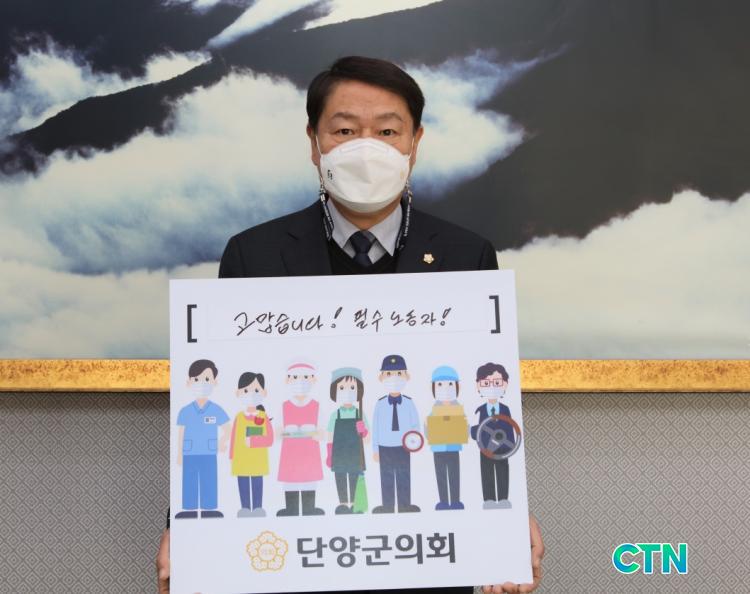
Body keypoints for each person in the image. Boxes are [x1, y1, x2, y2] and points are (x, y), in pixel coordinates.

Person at [158, 55, 544, 594]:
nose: (367, 148)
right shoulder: (254, 254)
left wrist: (504, 519)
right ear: (314, 142)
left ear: (415, 142)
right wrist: (187, 531)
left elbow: (483, 390)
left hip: (424, 557)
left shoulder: (466, 255)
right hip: (295, 560)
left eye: (387, 131)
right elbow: (232, 390)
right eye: (344, 131)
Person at [174, 359, 230, 520]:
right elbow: (181, 433)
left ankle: (209, 508)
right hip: (189, 452)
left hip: (209, 452)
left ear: (214, 382)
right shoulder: (184, 411)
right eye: (197, 379)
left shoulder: (216, 409)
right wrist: (179, 454)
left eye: (206, 379)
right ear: (189, 382)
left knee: (209, 480)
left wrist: (222, 442)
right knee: (189, 480)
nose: (201, 383)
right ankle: (189, 508)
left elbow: (228, 428)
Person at [371, 354, 421, 513]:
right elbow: (375, 428)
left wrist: (415, 443)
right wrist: (375, 449)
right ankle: (387, 506)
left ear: (407, 376)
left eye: (399, 373)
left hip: (403, 446)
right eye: (389, 374)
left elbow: (415, 425)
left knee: (403, 476)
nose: (394, 378)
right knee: (386, 477)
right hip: (384, 446)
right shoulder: (379, 404)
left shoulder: (409, 403)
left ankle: (405, 505)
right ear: (381, 378)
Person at [276, 361, 325, 516]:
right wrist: (289, 433)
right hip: (290, 452)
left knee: (309, 478)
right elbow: (278, 433)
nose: (301, 382)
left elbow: (322, 432)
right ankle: (291, 508)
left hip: (310, 452)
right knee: (290, 479)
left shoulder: (317, 405)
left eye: (305, 377)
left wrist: (314, 433)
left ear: (313, 380)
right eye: (295, 377)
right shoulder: (283, 406)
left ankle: (310, 508)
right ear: (287, 380)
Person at [228, 371, 274, 517]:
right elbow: (234, 437)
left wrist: (254, 441)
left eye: (256, 390)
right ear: (238, 393)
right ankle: (245, 508)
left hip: (257, 460)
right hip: (241, 459)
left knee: (257, 484)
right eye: (246, 391)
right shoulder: (239, 417)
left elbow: (270, 438)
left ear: (264, 392)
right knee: (243, 484)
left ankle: (258, 507)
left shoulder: (263, 416)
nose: (251, 394)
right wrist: (232, 456)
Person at [470, 363, 515, 510]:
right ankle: (489, 499)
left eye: (496, 383)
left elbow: (510, 428)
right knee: (487, 472)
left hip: (503, 449)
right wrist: (477, 433)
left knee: (503, 473)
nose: (491, 387)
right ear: (479, 385)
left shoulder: (506, 409)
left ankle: (503, 499)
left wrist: (511, 446)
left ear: (505, 384)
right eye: (486, 383)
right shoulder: (479, 410)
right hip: (485, 449)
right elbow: (474, 431)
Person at [326, 367, 370, 514]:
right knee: (340, 478)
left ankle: (355, 504)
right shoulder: (335, 415)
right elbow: (330, 436)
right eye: (342, 388)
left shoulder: (360, 413)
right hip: (338, 454)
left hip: (355, 454)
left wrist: (363, 431)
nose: (347, 392)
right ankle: (343, 504)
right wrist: (329, 454)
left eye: (352, 388)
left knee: (354, 478)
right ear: (334, 391)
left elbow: (367, 438)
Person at [425, 365, 468, 510]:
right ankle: (443, 501)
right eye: (440, 385)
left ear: (457, 387)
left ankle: (455, 501)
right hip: (437, 448)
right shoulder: (434, 409)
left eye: (450, 384)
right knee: (441, 475)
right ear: (433, 388)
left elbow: (464, 427)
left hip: (453, 447)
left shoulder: (459, 409)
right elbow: (428, 429)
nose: (445, 389)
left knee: (454, 474)